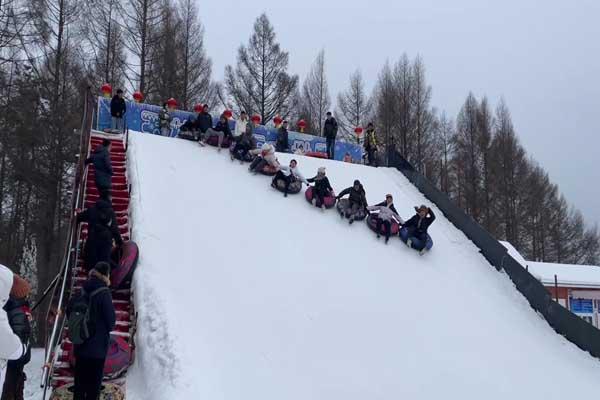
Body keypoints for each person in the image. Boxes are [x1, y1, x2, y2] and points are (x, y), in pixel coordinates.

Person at [70, 262, 116, 400]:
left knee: (79, 387)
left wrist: (81, 329)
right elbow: (111, 322)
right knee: (93, 389)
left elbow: (69, 310)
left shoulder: (82, 289)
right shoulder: (104, 293)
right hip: (97, 349)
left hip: (81, 345)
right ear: (105, 275)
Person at [1, 275, 31, 400]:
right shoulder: (18, 311)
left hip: (12, 363)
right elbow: (17, 339)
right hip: (13, 363)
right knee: (10, 392)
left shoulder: (10, 309)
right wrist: (24, 351)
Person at [77, 198, 123, 271]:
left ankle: (92, 275)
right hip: (106, 239)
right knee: (105, 260)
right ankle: (110, 275)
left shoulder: (92, 210)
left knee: (92, 260)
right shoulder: (110, 212)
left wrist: (78, 214)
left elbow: (80, 217)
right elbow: (114, 229)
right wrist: (119, 242)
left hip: (93, 238)